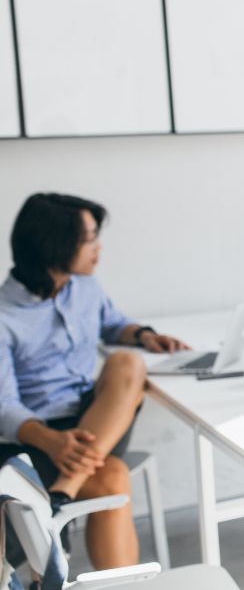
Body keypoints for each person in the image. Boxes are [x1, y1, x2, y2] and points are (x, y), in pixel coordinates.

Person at [0, 193, 188, 569]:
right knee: (113, 477)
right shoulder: (5, 314)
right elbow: (4, 407)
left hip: (93, 425)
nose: (98, 248)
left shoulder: (85, 288)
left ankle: (60, 495)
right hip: (34, 439)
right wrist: (53, 442)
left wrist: (143, 334)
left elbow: (113, 324)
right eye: (88, 239)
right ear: (54, 244)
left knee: (127, 362)